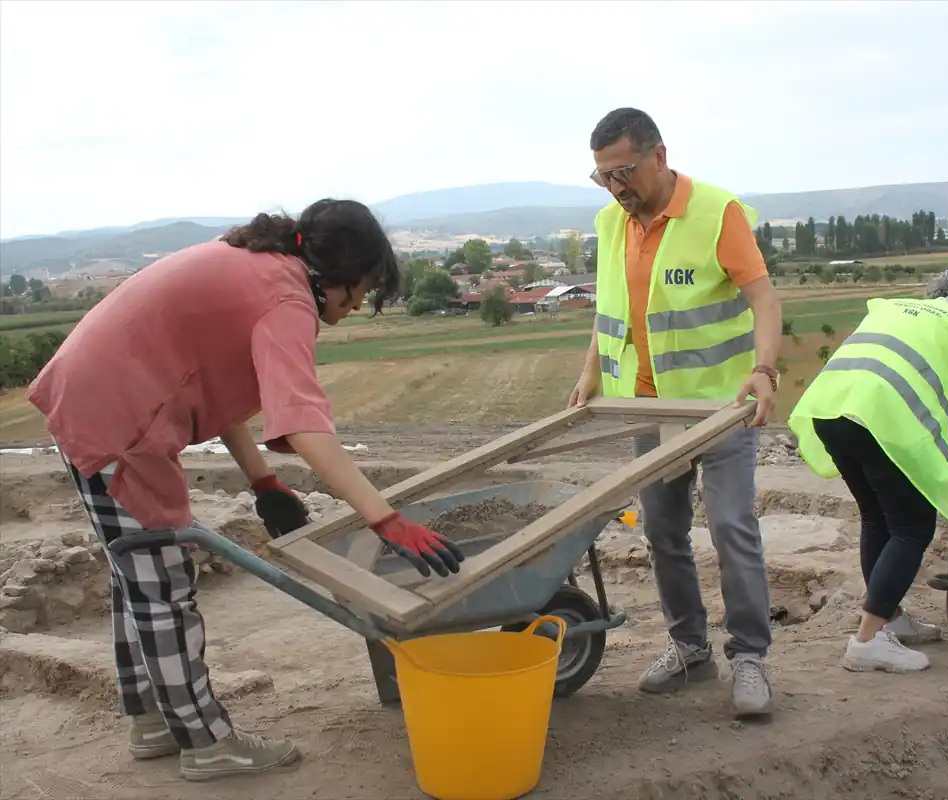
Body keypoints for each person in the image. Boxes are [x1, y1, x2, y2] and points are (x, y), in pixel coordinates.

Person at [26, 199, 465, 782]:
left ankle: (154, 719)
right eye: (362, 288)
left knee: (134, 571)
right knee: (162, 585)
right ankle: (207, 743)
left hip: (97, 402)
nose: (360, 302)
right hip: (115, 419)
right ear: (340, 273)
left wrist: (262, 480)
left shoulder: (256, 266)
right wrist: (385, 519)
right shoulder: (287, 299)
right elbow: (305, 423)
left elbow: (210, 382)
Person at [567, 107, 782, 718]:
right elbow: (610, 311)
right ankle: (690, 647)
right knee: (663, 533)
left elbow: (763, 298)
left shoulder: (717, 212)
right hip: (647, 410)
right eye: (604, 176)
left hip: (719, 409)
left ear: (659, 156)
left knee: (732, 528)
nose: (617, 186)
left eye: (625, 171)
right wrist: (589, 372)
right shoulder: (610, 222)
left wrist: (764, 372)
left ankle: (749, 657)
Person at [789, 268, 948, 673]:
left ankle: (891, 620)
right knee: (912, 528)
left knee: (878, 518)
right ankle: (866, 642)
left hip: (830, 411)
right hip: (877, 420)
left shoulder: (899, 311)